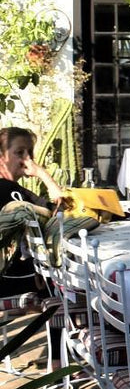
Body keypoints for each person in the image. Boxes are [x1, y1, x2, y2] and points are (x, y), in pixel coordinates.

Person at [0, 126, 64, 297]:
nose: (28, 159)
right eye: (20, 152)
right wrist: (44, 176)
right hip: (10, 277)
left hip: (13, 273)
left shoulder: (14, 189)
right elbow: (59, 214)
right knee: (75, 274)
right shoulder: (6, 189)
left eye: (30, 152)